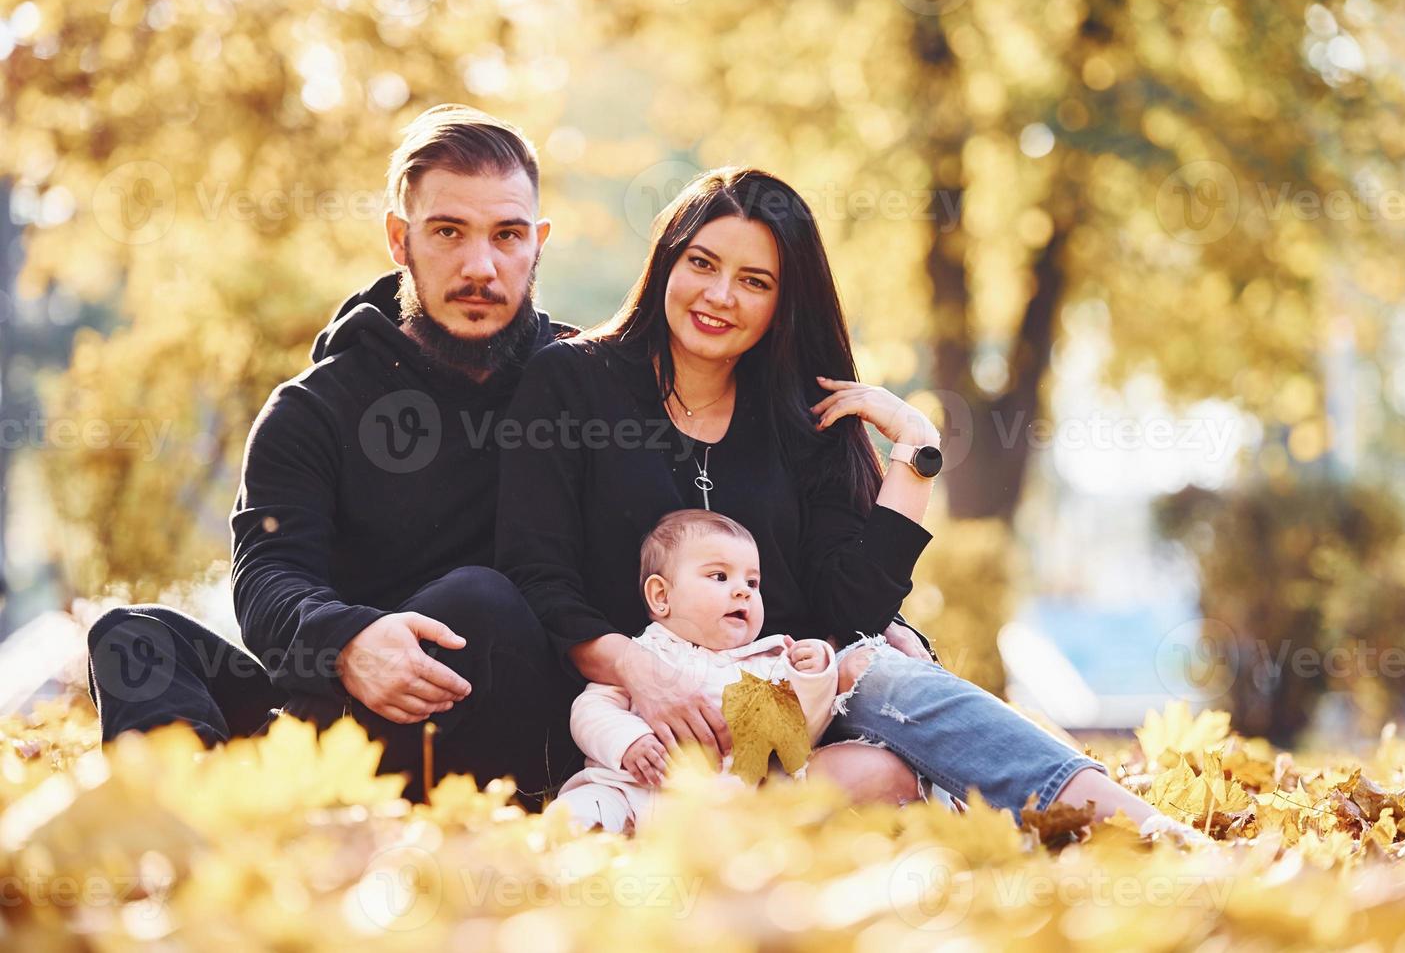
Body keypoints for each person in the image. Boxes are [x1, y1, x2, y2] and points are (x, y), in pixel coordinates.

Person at [497, 166, 1205, 841]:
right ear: (667, 265)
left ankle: (1132, 828)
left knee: (877, 719)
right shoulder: (573, 383)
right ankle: (680, 825)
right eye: (702, 264)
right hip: (626, 730)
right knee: (877, 769)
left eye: (755, 281)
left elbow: (849, 613)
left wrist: (916, 455)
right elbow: (536, 571)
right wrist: (636, 670)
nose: (719, 296)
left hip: (771, 717)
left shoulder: (805, 416)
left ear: (783, 303)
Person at [85, 105, 583, 805]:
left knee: (479, 601)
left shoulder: (587, 388)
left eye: (508, 235)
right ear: (398, 239)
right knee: (131, 635)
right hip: (338, 718)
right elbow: (269, 579)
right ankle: (193, 821)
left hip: (512, 727)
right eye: (448, 232)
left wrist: (796, 418)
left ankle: (271, 806)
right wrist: (349, 641)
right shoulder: (312, 409)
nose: (481, 266)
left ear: (539, 242)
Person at [550, 509, 838, 833]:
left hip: (717, 807)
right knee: (586, 807)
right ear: (661, 596)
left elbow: (801, 730)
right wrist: (629, 741)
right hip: (628, 791)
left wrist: (814, 675)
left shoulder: (766, 663)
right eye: (720, 576)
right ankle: (577, 840)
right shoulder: (645, 654)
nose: (743, 590)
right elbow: (591, 709)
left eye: (752, 582)